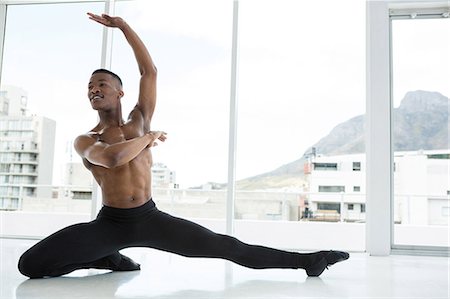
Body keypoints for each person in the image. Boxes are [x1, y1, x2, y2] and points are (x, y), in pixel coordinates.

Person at [18, 13, 349, 279]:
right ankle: (105, 258)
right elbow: (114, 158)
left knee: (227, 246)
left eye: (101, 84)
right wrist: (148, 139)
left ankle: (308, 261)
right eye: (89, 87)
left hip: (150, 218)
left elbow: (149, 71)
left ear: (119, 92)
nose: (93, 90)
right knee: (30, 266)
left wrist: (124, 27)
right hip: (110, 224)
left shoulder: (139, 119)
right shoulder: (87, 139)